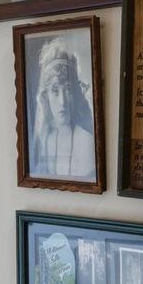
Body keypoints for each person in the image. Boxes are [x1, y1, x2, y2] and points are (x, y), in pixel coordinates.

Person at [29, 35, 97, 180]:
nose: (62, 101)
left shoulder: (86, 142)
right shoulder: (44, 140)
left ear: (76, 93)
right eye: (55, 90)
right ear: (46, 95)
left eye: (68, 90)